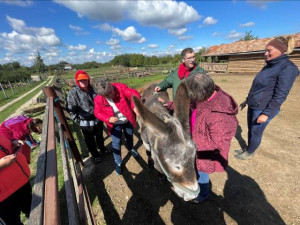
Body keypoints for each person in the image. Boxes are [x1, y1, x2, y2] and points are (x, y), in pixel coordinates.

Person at [235, 36, 299, 160]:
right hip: (254, 104)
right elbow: (257, 86)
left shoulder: (288, 68)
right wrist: (247, 100)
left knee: (256, 131)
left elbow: (281, 94)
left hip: (264, 107)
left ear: (281, 50)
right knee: (251, 129)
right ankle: (249, 148)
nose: (265, 53)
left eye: (269, 50)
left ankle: (250, 152)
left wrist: (266, 113)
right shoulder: (269, 65)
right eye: (266, 50)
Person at [185, 73, 238, 203]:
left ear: (200, 93)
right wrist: (170, 105)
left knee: (203, 173)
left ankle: (202, 194)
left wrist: (193, 146)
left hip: (204, 152)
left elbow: (218, 145)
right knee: (196, 170)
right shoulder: (205, 96)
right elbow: (190, 105)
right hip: (196, 141)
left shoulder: (219, 116)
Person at [93, 80, 141, 175]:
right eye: (107, 95)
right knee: (116, 143)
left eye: (110, 91)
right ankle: (118, 162)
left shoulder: (120, 87)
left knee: (129, 136)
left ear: (111, 85)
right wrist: (108, 118)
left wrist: (135, 105)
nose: (110, 95)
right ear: (102, 95)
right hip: (114, 124)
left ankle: (131, 149)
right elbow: (97, 112)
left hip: (127, 120)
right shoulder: (98, 99)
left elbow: (133, 94)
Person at [67, 70, 108, 164]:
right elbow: (70, 109)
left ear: (88, 80)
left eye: (85, 80)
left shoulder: (94, 90)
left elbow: (102, 101)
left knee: (99, 136)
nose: (83, 82)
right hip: (85, 121)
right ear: (77, 81)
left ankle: (102, 148)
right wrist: (78, 120)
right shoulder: (73, 93)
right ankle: (95, 155)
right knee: (89, 140)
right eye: (81, 80)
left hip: (97, 118)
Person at [0, 136, 32, 225]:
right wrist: (2, 164)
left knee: (34, 210)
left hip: (20, 181)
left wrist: (12, 143)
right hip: (3, 197)